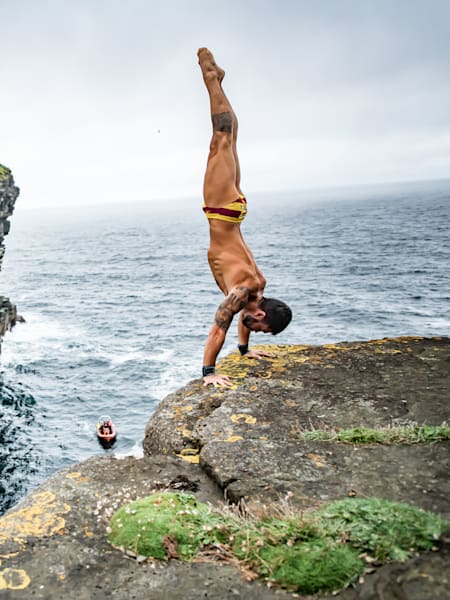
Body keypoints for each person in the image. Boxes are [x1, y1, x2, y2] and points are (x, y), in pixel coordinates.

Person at [198, 48, 292, 388]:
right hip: (221, 208)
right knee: (221, 136)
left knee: (230, 137)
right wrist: (209, 373)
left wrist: (243, 350)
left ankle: (216, 81)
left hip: (235, 210)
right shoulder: (241, 293)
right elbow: (219, 325)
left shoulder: (256, 288)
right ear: (262, 314)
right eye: (260, 328)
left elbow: (242, 318)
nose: (255, 330)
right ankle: (210, 77)